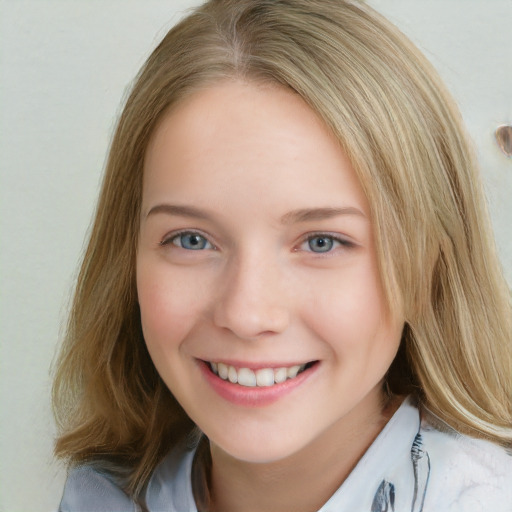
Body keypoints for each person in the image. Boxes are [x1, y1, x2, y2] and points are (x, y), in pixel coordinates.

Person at [53, 1, 512, 511]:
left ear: (428, 272)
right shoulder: (98, 497)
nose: (246, 315)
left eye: (322, 242)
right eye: (191, 240)